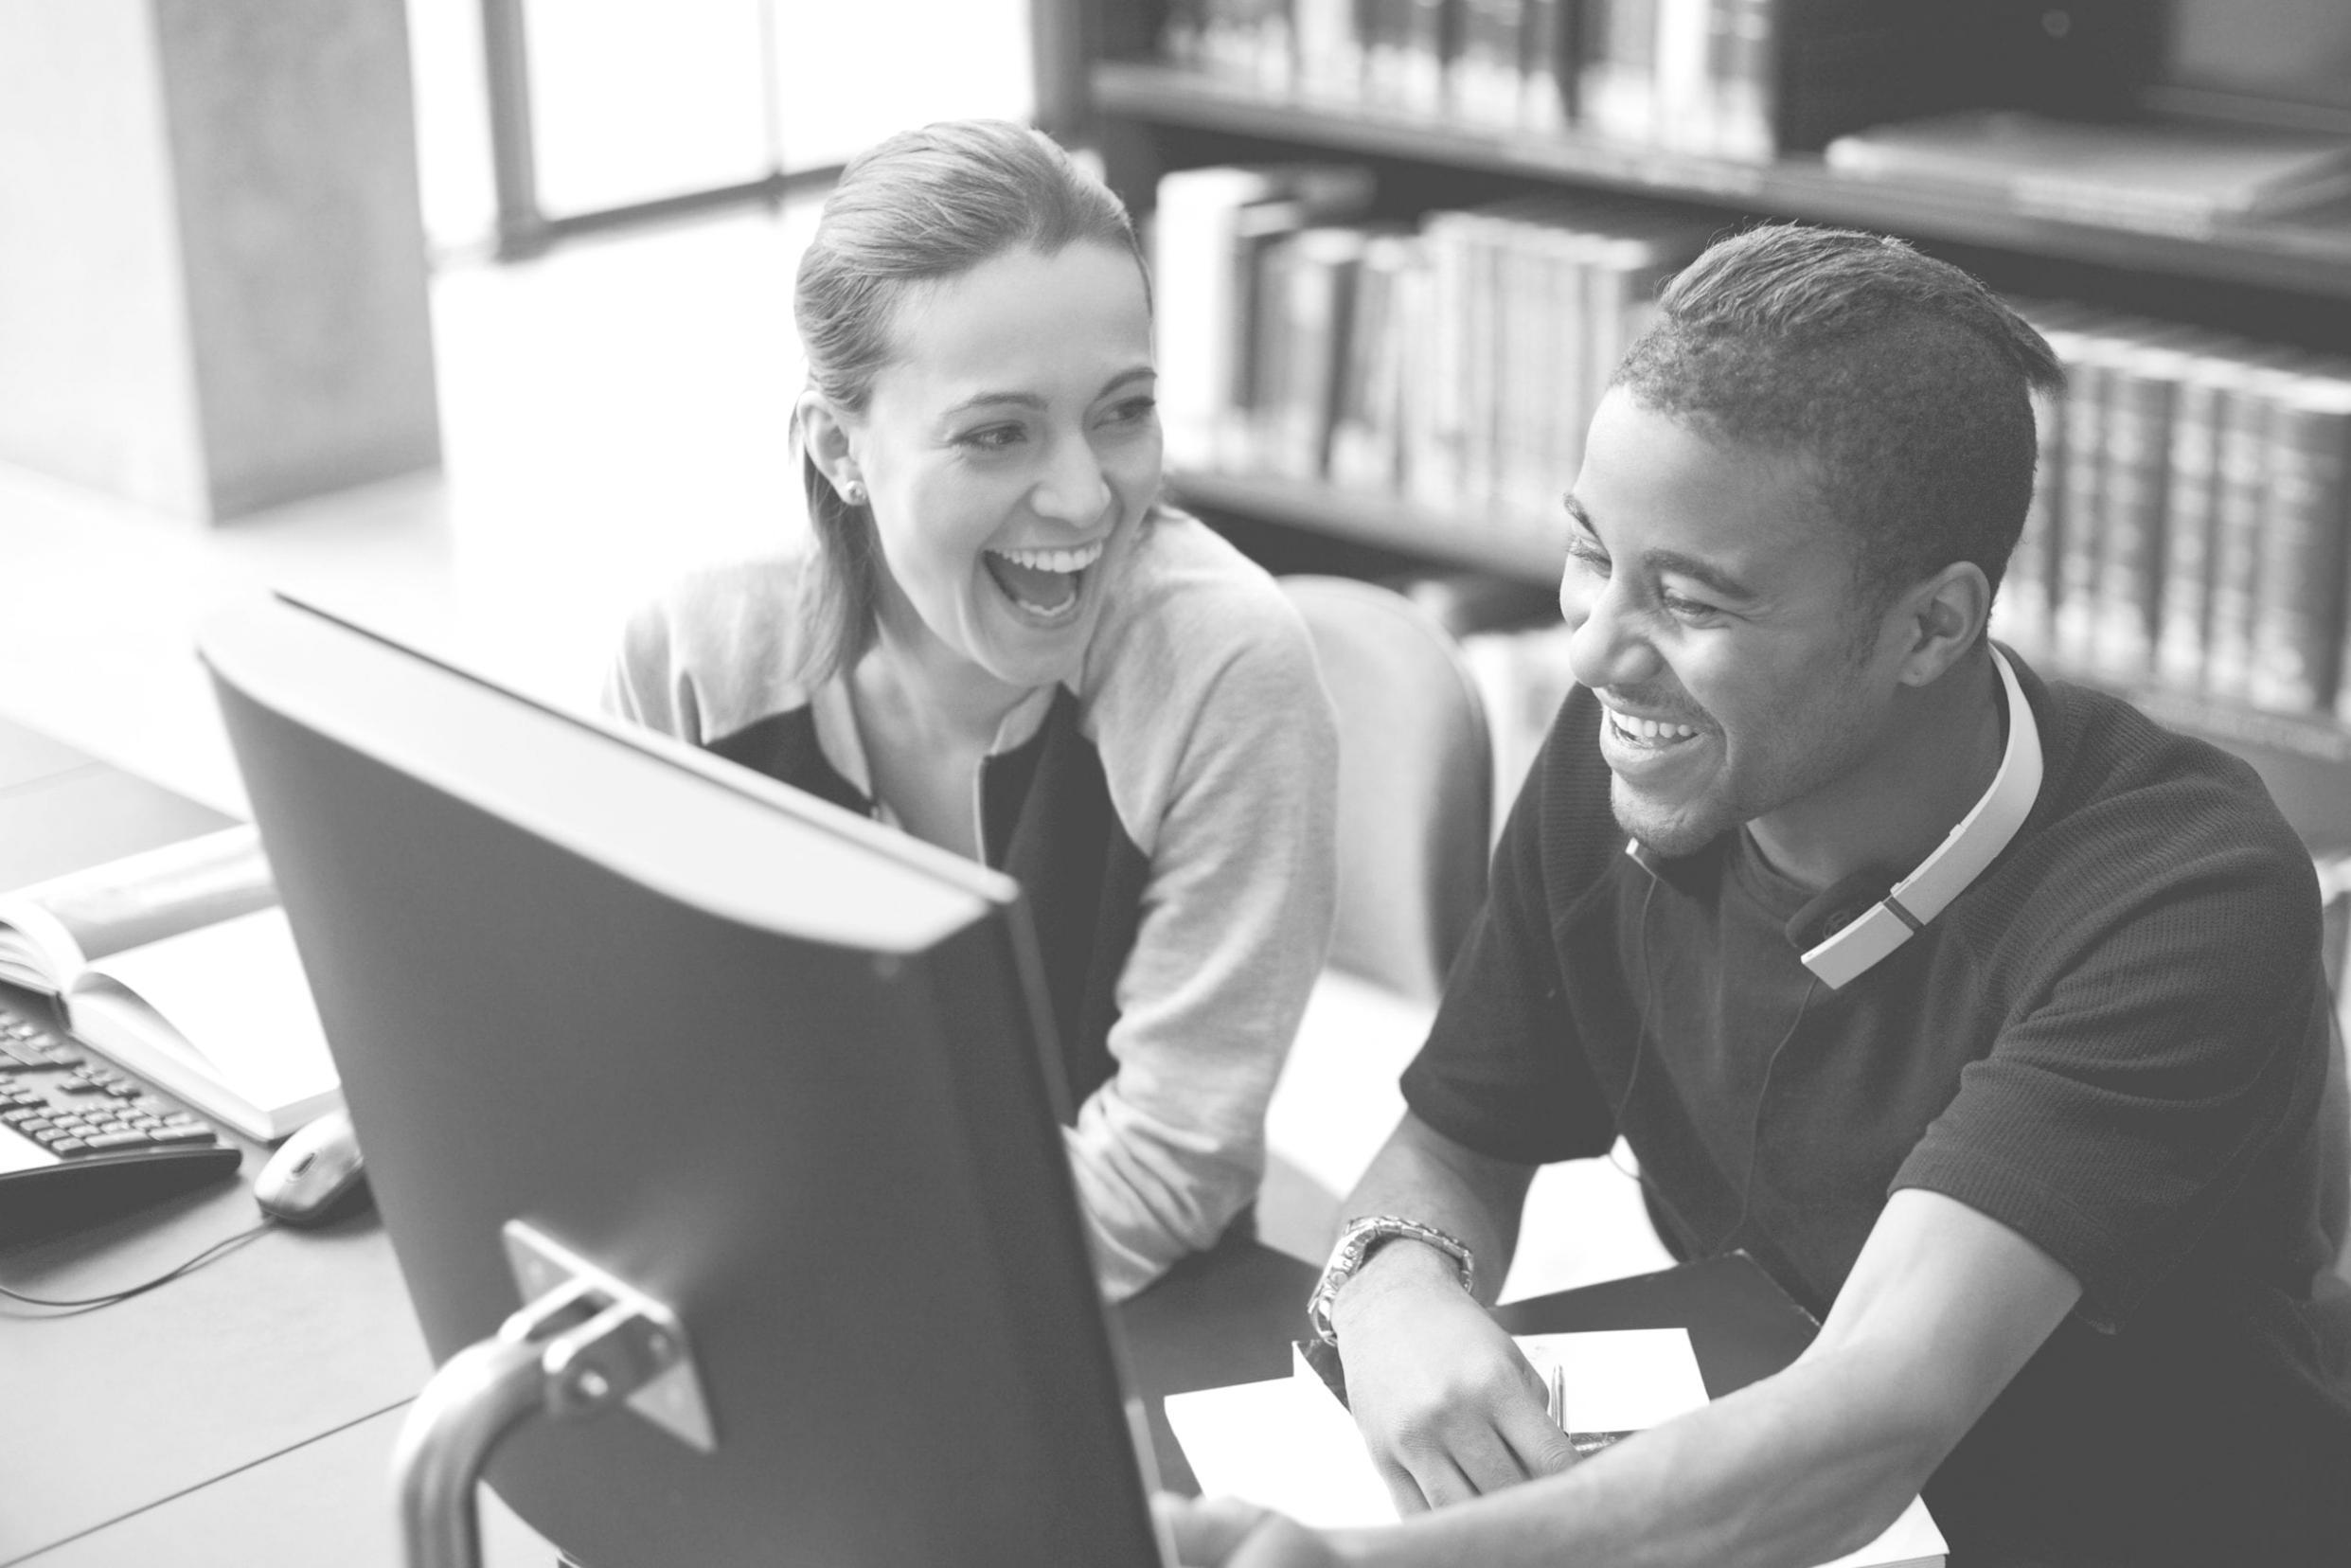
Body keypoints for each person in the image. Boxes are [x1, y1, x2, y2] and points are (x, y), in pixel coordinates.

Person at [1164, 224, 2351, 1565]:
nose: (1598, 649)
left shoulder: (2178, 898)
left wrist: (1353, 1566)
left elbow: (1867, 1419)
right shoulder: (1632, 768)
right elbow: (1458, 1136)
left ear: (1929, 628)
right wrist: (1388, 1281)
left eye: (1689, 603)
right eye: (1587, 553)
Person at [603, 120, 1339, 1301]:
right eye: (997, 434)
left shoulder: (1223, 670)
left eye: (1122, 410)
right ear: (839, 450)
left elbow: (1163, 1173)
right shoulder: (696, 652)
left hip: (1112, 1314)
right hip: (781, 1284)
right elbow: (626, 1033)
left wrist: (816, 1276)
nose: (1085, 495)